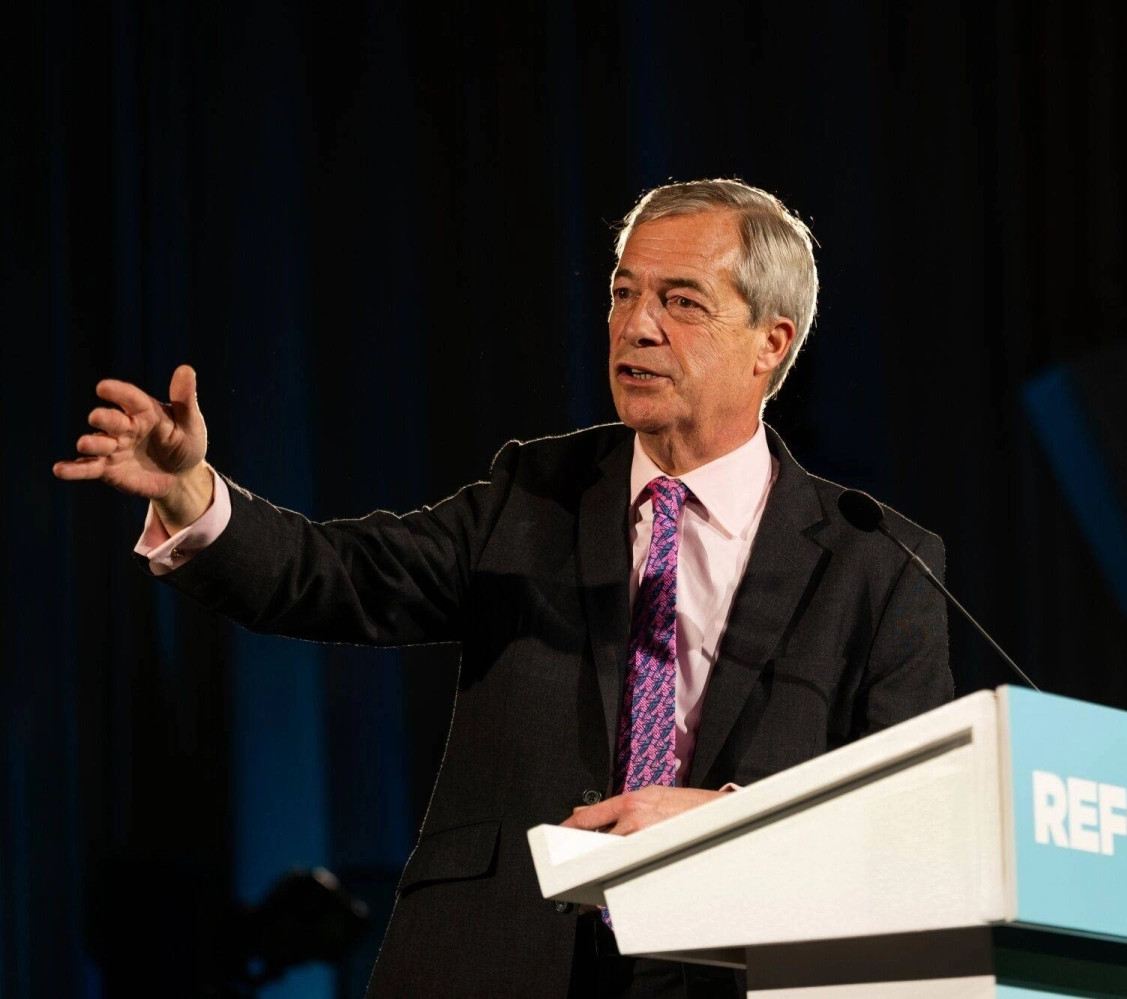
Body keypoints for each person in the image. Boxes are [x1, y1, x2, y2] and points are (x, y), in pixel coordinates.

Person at [53, 179, 952, 998]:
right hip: (498, 961)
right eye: (624, 293)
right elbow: (337, 576)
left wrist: (731, 819)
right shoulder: (536, 492)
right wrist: (191, 494)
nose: (637, 326)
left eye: (680, 302)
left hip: (734, 974)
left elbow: (911, 819)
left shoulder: (877, 561)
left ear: (771, 344)